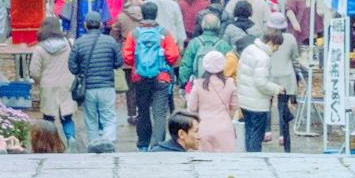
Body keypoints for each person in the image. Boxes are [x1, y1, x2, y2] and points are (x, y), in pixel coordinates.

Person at [127, 11, 180, 150]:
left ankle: (143, 144)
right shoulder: (165, 33)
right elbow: (173, 55)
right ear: (156, 14)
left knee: (143, 111)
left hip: (140, 77)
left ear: (142, 14)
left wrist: (140, 65)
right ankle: (157, 145)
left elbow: (127, 56)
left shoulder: (134, 34)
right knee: (160, 113)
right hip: (161, 77)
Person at [70, 18, 123, 153]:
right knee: (108, 116)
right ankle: (108, 142)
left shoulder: (79, 43)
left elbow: (72, 66)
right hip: (107, 85)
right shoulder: (110, 41)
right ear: (100, 25)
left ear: (85, 25)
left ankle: (94, 144)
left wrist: (81, 71)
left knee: (90, 118)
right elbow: (119, 62)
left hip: (88, 87)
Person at [185, 45, 241, 152]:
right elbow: (235, 106)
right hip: (225, 128)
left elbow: (191, 108)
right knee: (225, 163)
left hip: (203, 127)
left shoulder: (198, 84)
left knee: (205, 163)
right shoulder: (230, 83)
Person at [234, 28, 278, 151]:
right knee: (256, 136)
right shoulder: (263, 58)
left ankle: (248, 157)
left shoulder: (249, 49)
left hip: (245, 100)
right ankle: (254, 161)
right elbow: (261, 83)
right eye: (276, 46)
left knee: (248, 132)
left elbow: (240, 73)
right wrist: (276, 89)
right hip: (257, 103)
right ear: (270, 43)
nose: (276, 49)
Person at [35, 26, 78, 149]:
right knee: (67, 116)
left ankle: (49, 144)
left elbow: (34, 71)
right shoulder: (68, 45)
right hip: (66, 85)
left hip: (48, 86)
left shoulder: (40, 49)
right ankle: (71, 138)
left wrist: (40, 80)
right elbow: (73, 63)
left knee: (48, 118)